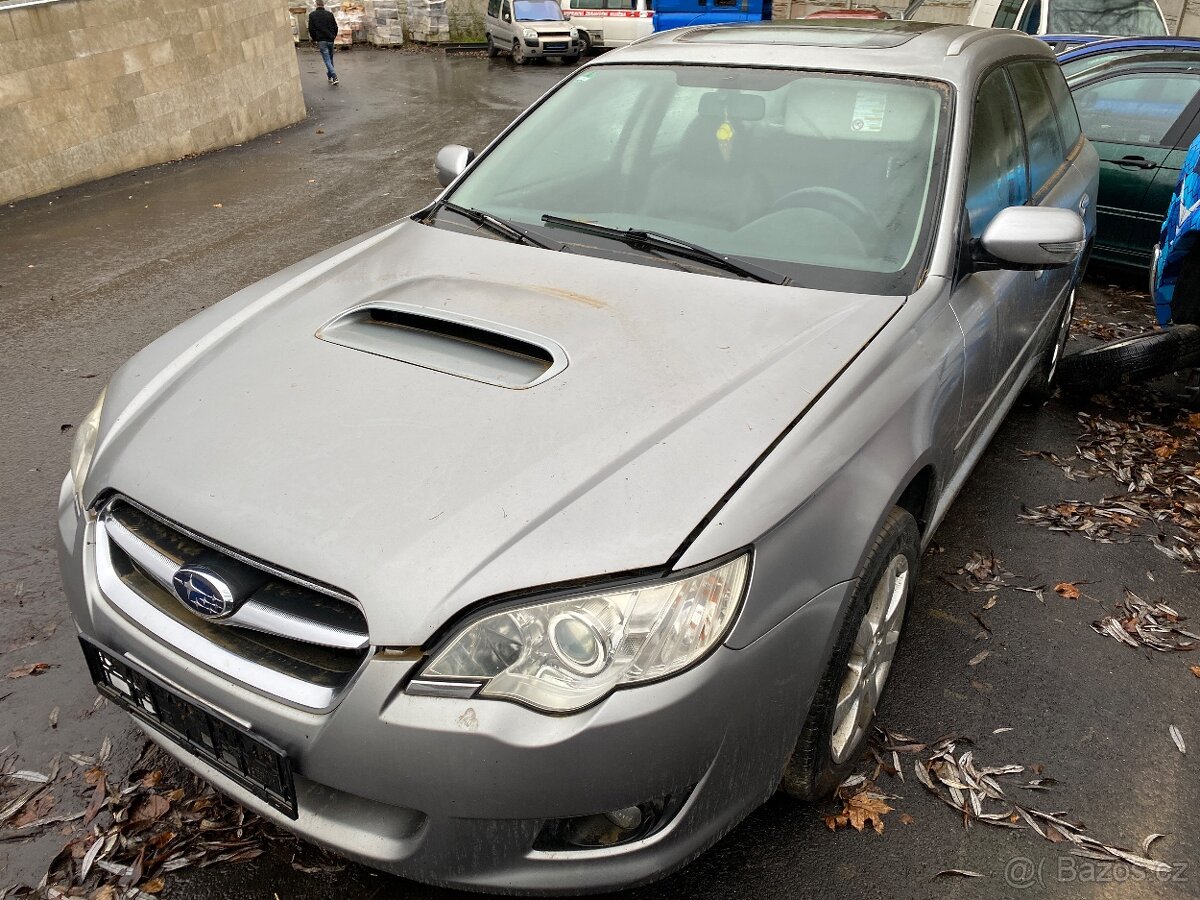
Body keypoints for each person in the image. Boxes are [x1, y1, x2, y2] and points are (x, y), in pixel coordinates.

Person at [308, 0, 339, 86]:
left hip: (321, 40)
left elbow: (311, 29)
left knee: (327, 60)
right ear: (323, 5)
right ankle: (330, 75)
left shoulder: (312, 15)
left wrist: (315, 38)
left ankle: (334, 76)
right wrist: (333, 36)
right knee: (330, 58)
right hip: (330, 40)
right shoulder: (329, 14)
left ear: (316, 5)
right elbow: (335, 27)